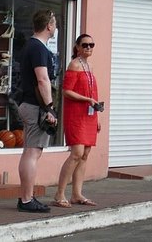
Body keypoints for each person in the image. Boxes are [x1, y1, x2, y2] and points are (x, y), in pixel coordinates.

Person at [14, 9, 60, 214]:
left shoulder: (30, 46)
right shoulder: (39, 49)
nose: (56, 27)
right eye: (55, 24)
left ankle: (26, 197)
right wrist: (49, 108)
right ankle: (26, 199)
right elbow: (43, 79)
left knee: (29, 152)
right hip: (35, 107)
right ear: (49, 26)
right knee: (33, 153)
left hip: (28, 104)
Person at [54, 33, 102, 208]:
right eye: (85, 45)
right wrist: (86, 100)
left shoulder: (88, 66)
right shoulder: (74, 65)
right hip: (76, 113)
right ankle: (59, 194)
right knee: (76, 153)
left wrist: (97, 116)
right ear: (77, 46)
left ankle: (77, 194)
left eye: (91, 45)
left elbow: (93, 95)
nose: (88, 48)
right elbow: (66, 91)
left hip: (89, 114)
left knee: (85, 153)